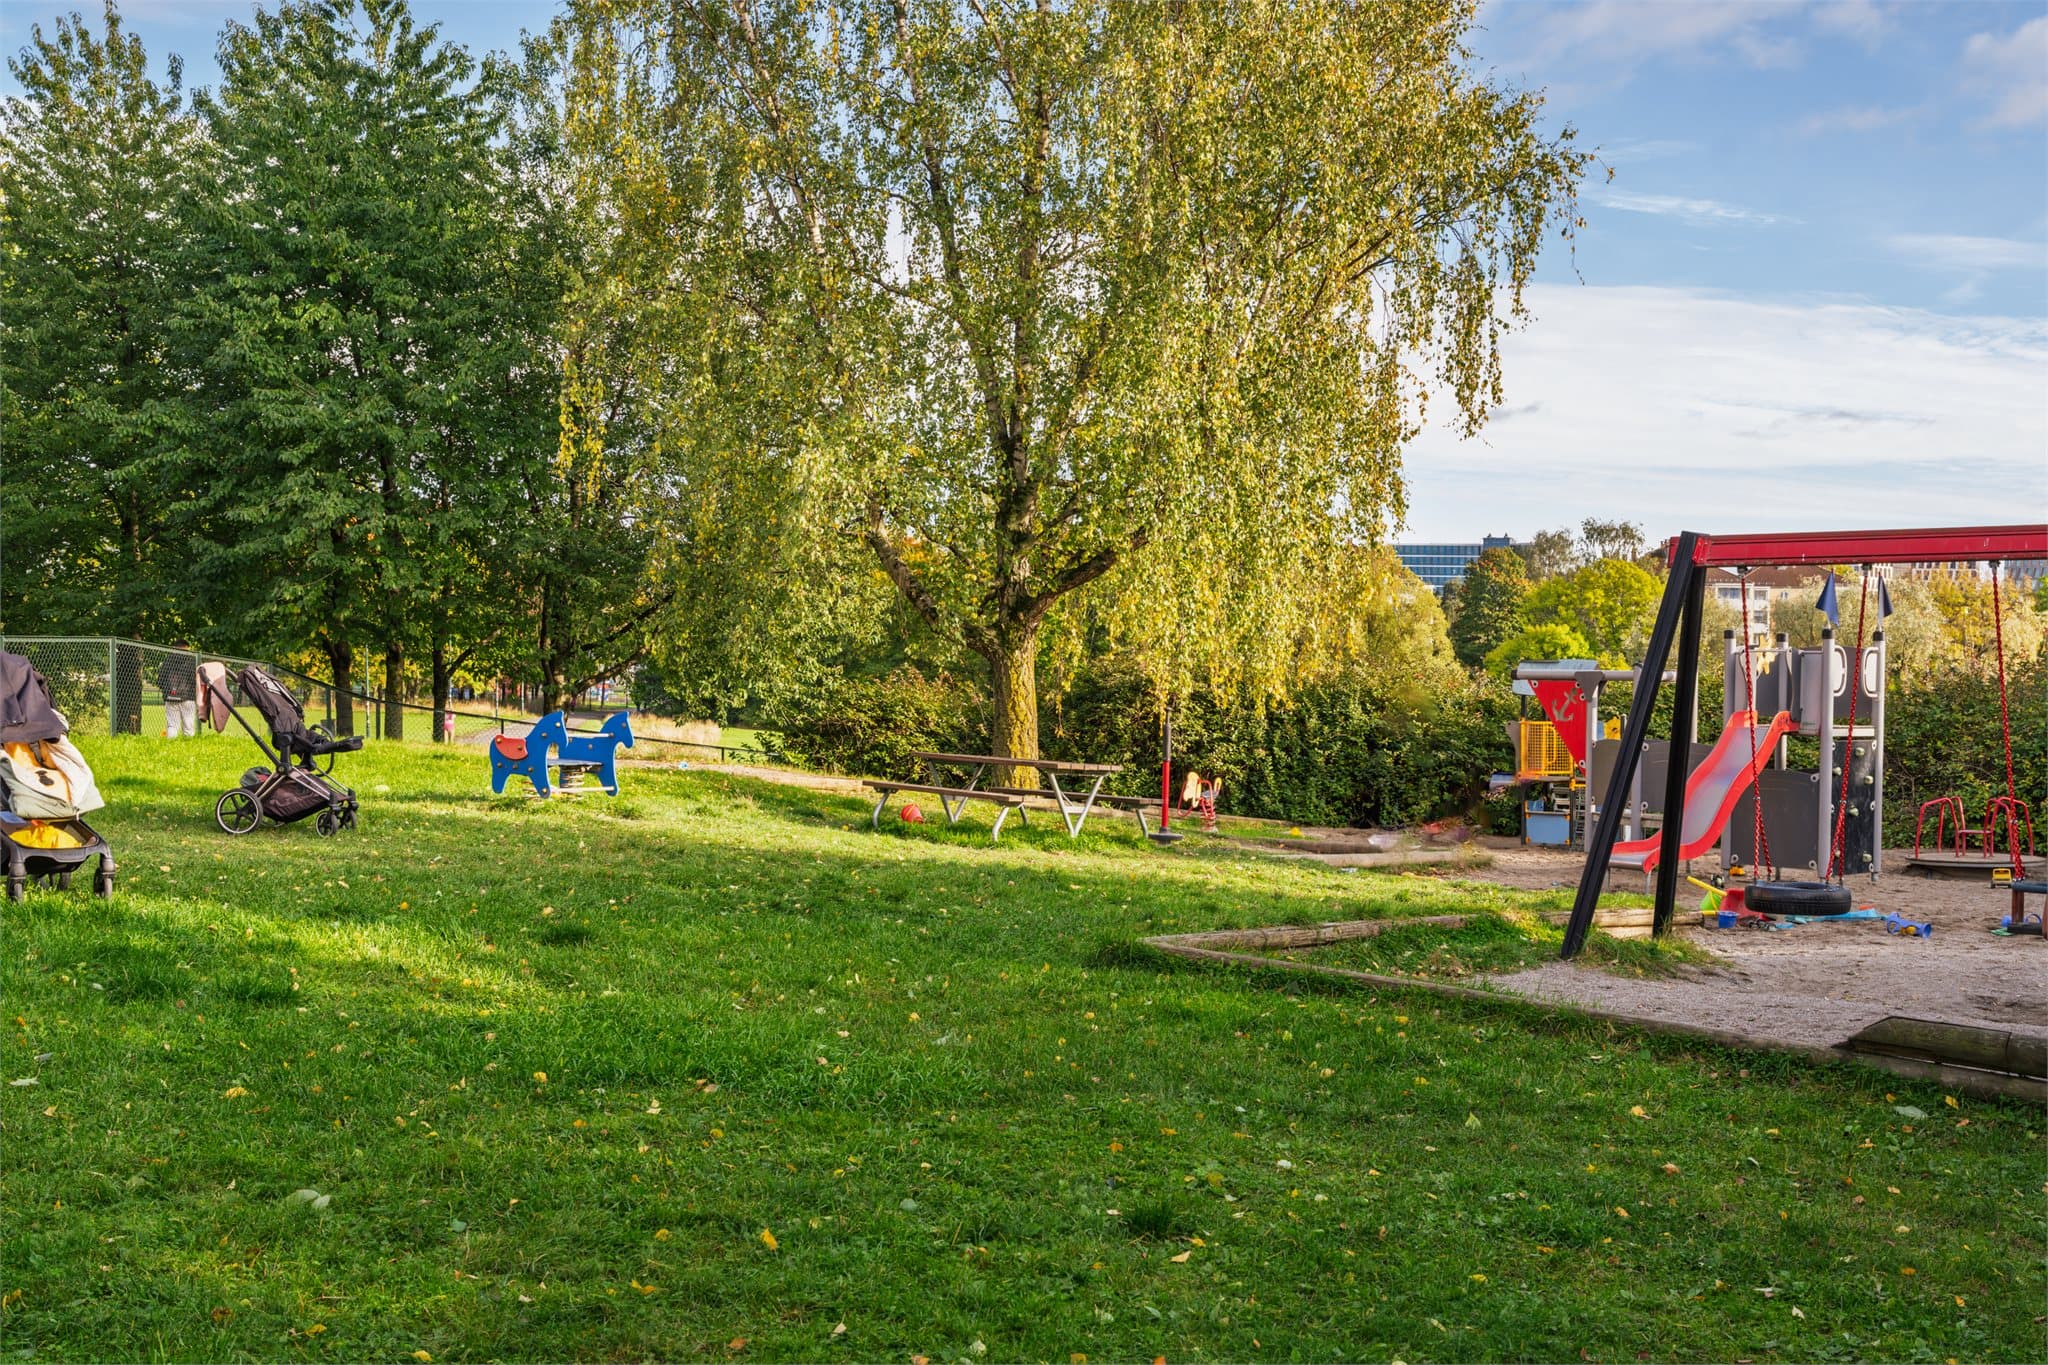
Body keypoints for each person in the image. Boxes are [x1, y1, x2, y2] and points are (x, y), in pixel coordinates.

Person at [158, 645, 199, 739]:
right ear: (187, 648)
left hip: (170, 697)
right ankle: (188, 746)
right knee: (188, 725)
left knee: (172, 725)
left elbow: (160, 680)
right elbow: (196, 680)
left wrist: (166, 690)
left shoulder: (168, 661)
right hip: (188, 697)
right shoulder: (192, 661)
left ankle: (171, 745)